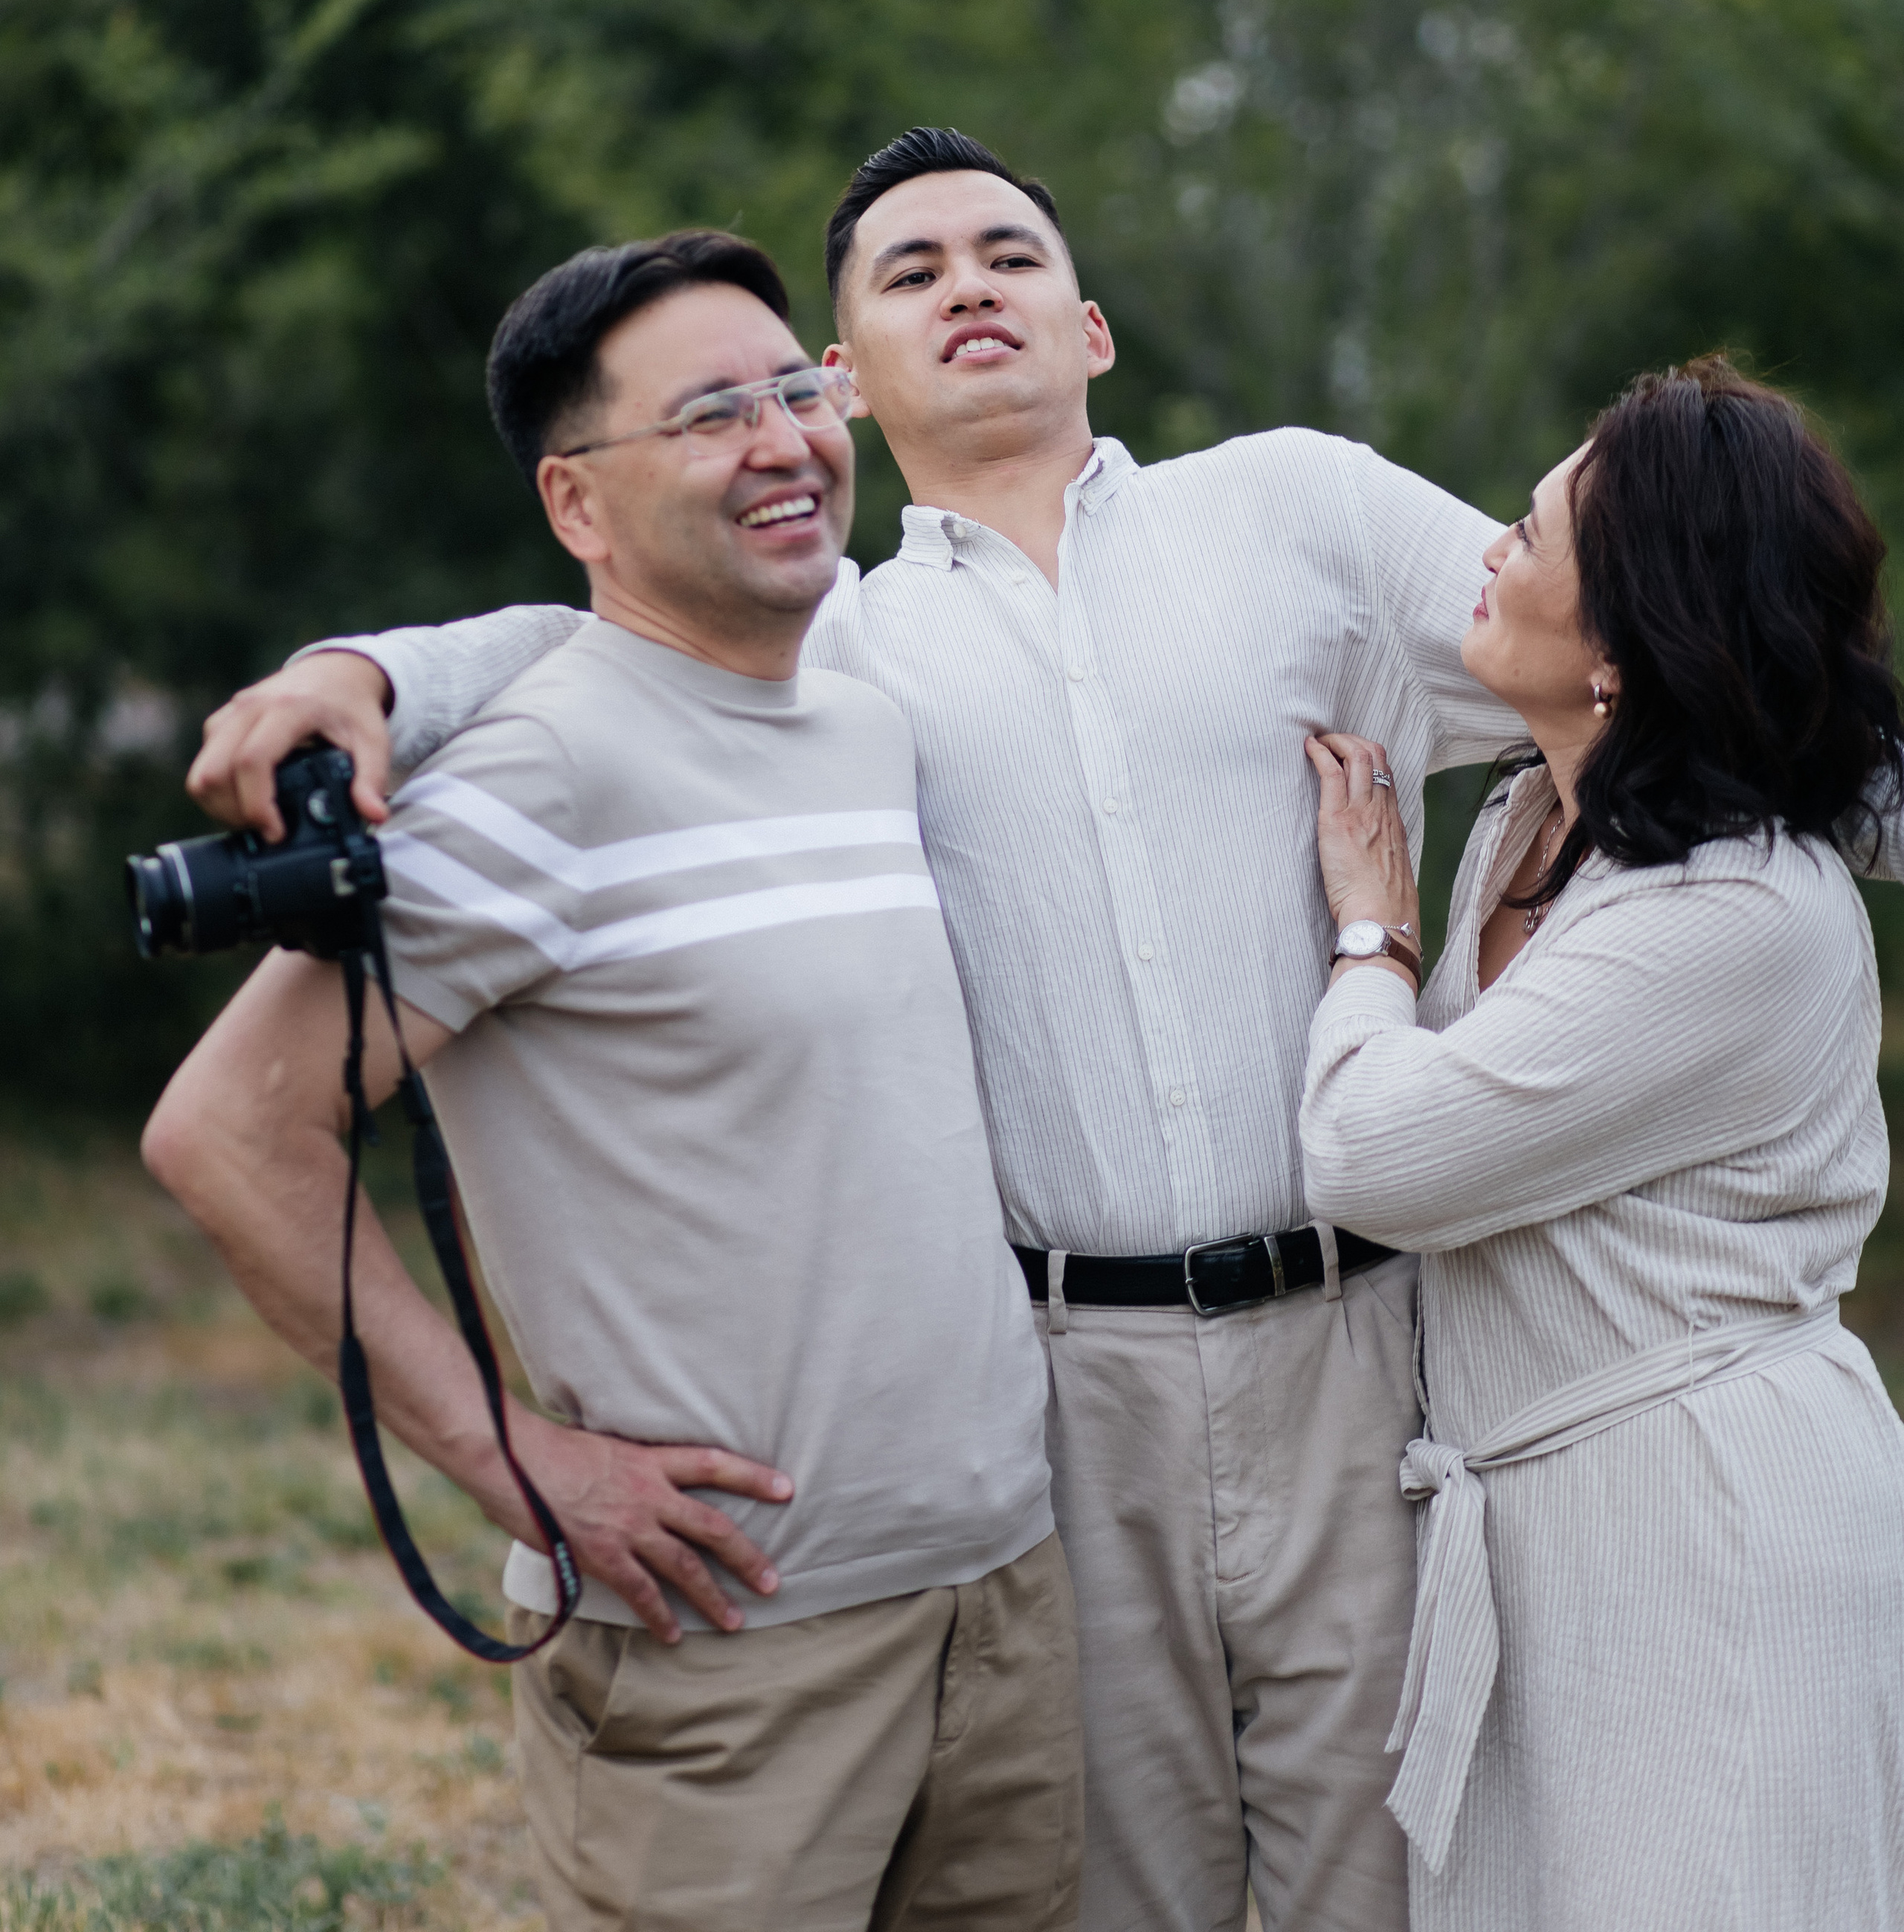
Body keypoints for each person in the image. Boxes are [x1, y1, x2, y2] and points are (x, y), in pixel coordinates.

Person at [187, 128, 1534, 1932]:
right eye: (910, 273)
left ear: (1091, 328)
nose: (968, 285)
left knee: (1393, 1889)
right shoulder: (830, 650)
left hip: (1346, 1347)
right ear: (852, 381)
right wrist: (359, 668)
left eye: (1008, 254)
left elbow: (1597, 642)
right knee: (1126, 1895)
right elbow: (582, 638)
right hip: (1064, 1392)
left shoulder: (1288, 513)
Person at [144, 229, 1081, 1932]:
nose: (782, 443)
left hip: (999, 1605)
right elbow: (229, 1133)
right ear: (576, 503)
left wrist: (367, 660)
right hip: (726, 1660)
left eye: (794, 392)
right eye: (711, 415)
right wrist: (512, 1460)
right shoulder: (537, 777)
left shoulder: (859, 720)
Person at [1299, 356, 1904, 1931]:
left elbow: (1373, 1162)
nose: (1486, 553)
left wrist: (1370, 936)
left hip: (1709, 1524)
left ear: (1624, 650)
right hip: (1546, 1537)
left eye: (1527, 533)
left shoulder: (1734, 911)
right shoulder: (1533, 817)